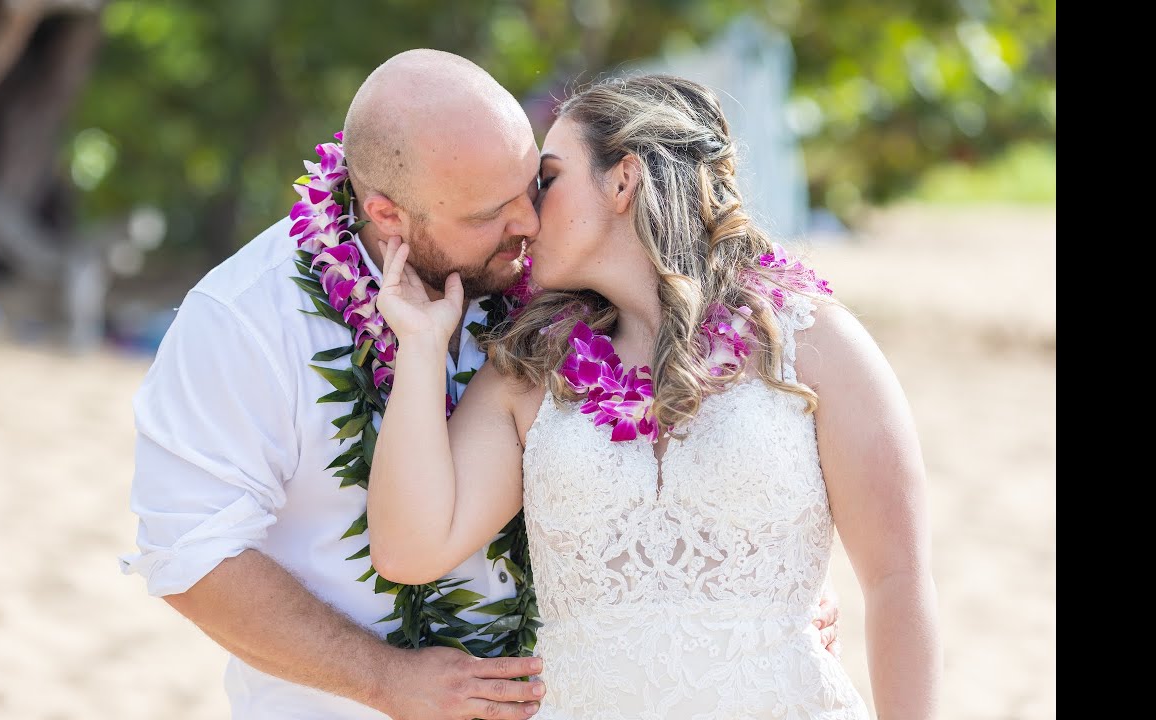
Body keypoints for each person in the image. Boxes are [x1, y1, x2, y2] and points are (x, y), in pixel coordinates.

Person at [120, 50, 839, 720]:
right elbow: (192, 554)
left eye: (532, 185)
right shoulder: (245, 320)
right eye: (488, 214)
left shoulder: (562, 281)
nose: (527, 222)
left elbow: (673, 437)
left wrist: (755, 579)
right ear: (387, 215)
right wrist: (385, 679)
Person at [367, 73, 941, 718]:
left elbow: (897, 579)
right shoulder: (531, 369)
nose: (526, 216)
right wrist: (420, 346)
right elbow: (409, 549)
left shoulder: (810, 340)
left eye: (548, 180)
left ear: (623, 180)